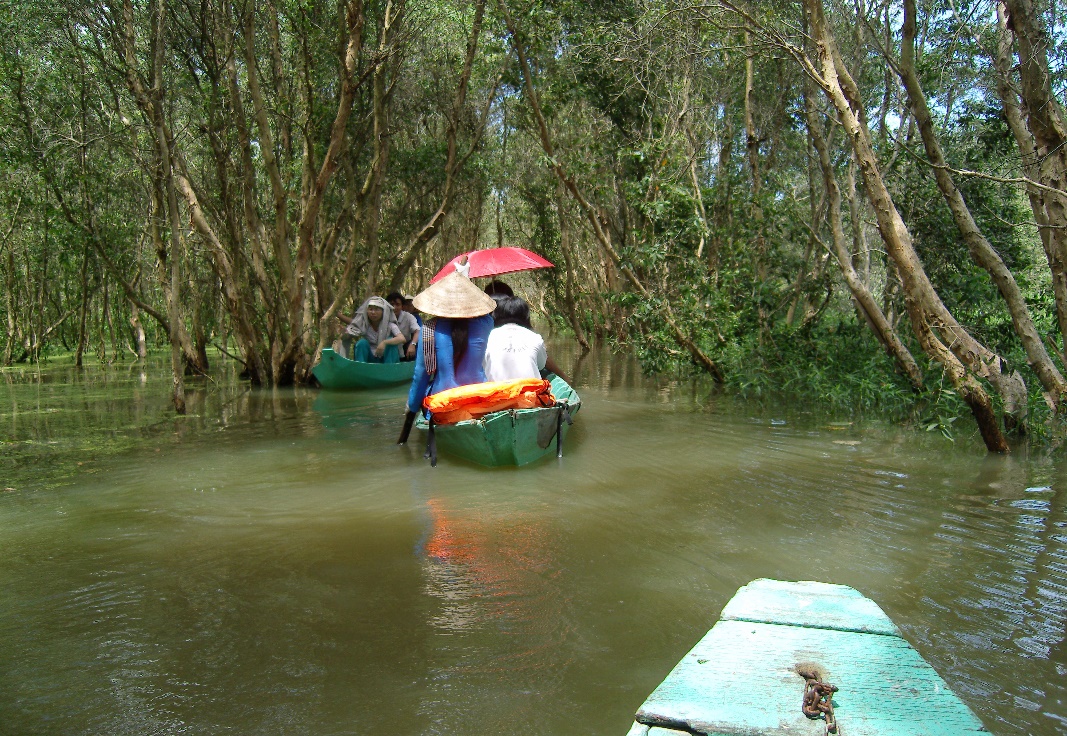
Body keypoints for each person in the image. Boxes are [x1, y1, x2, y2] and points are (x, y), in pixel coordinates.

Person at [406, 269, 497, 415]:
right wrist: (465, 282)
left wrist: (412, 406)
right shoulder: (486, 323)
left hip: (444, 402)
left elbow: (421, 374)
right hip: (479, 399)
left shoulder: (429, 329)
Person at [484, 296, 570, 383]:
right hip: (529, 394)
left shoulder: (486, 337)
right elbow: (541, 366)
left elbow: (483, 366)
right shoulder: (535, 337)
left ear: (496, 316)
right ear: (526, 316)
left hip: (495, 394)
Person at [339, 295, 406, 363]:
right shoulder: (364, 325)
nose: (373, 312)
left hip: (385, 358)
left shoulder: (390, 325)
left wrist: (384, 342)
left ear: (383, 312)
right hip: (370, 358)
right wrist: (345, 333)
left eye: (377, 309)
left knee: (391, 343)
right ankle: (362, 367)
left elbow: (402, 338)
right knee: (361, 343)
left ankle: (389, 370)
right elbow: (350, 334)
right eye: (371, 309)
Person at [386, 290, 420, 360]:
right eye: (391, 304)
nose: (394, 307)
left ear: (402, 306)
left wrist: (413, 344)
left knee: (417, 344)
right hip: (388, 347)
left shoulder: (409, 317)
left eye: (397, 305)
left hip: (405, 347)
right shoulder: (383, 317)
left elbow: (418, 331)